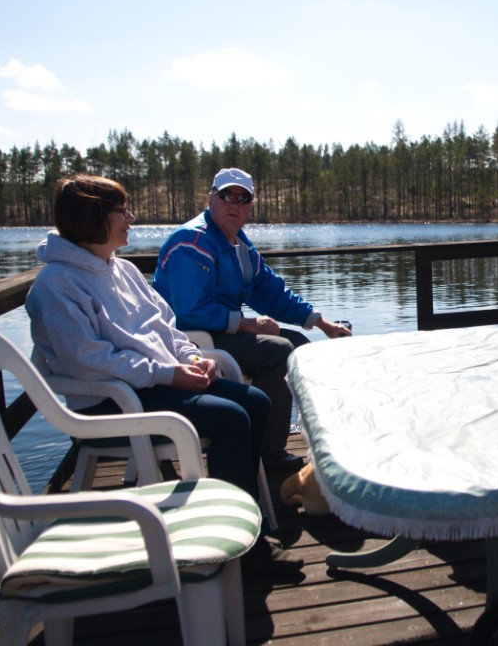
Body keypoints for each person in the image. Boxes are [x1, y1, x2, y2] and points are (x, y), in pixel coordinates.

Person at [25, 173, 304, 578]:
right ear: (91, 216)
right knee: (230, 419)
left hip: (151, 384)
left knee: (257, 402)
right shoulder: (56, 284)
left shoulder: (119, 270)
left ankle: (240, 514)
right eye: (121, 210)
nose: (131, 217)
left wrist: (194, 357)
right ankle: (246, 552)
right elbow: (89, 361)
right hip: (111, 405)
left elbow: (165, 326)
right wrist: (168, 374)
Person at [153, 167, 352, 470]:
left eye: (242, 198)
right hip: (187, 340)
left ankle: (267, 442)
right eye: (226, 196)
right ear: (211, 198)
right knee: (280, 351)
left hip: (220, 332)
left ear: (250, 206)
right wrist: (246, 323)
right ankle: (266, 451)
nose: (234, 204)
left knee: (298, 343)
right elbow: (189, 309)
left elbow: (271, 292)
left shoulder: (240, 245)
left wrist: (322, 323)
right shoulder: (190, 241)